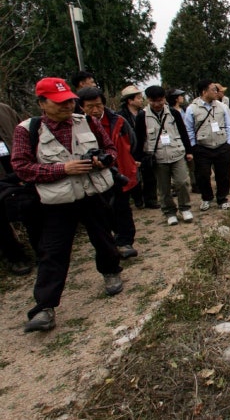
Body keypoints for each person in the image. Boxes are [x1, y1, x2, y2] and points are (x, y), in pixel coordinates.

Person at [12, 77, 123, 333]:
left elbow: (110, 148)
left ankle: (111, 271)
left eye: (70, 102)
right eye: (59, 103)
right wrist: (63, 169)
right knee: (53, 251)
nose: (67, 107)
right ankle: (44, 307)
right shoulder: (27, 130)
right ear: (42, 103)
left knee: (104, 238)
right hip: (57, 201)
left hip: (92, 192)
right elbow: (22, 168)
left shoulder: (88, 121)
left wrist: (103, 161)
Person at [77, 87, 139, 259]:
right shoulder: (78, 126)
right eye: (90, 106)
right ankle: (111, 242)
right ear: (81, 107)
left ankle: (125, 242)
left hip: (119, 171)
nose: (95, 110)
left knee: (122, 207)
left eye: (98, 105)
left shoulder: (117, 120)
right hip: (93, 177)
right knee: (104, 211)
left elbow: (132, 142)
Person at [135, 86, 194, 226]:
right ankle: (169, 212)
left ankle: (185, 207)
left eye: (160, 100)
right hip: (158, 156)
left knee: (182, 182)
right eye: (153, 101)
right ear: (148, 100)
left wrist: (189, 151)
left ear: (164, 99)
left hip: (177, 152)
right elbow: (139, 138)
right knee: (164, 187)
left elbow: (183, 132)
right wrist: (137, 158)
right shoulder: (142, 116)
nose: (157, 104)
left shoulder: (173, 113)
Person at [185, 80, 230, 211]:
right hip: (202, 147)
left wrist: (228, 142)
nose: (216, 92)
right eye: (213, 90)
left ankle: (222, 199)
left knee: (223, 174)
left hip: (221, 145)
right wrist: (193, 146)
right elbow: (189, 129)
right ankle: (206, 198)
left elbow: (229, 125)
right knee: (203, 175)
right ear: (204, 91)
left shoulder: (221, 106)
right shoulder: (192, 109)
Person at [0, 102, 34, 275]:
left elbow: (24, 134)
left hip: (18, 171)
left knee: (30, 208)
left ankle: (42, 250)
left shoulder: (4, 109)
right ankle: (15, 257)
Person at [119, 85, 158, 209]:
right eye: (138, 98)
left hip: (144, 148)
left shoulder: (144, 113)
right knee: (133, 175)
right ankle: (137, 199)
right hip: (128, 150)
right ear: (130, 100)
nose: (141, 100)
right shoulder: (120, 117)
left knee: (150, 175)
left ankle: (150, 200)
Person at [167, 88, 197, 190]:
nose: (182, 97)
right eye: (180, 96)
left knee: (192, 163)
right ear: (175, 98)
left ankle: (195, 184)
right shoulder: (169, 112)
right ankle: (176, 186)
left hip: (187, 139)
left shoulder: (185, 109)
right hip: (175, 141)